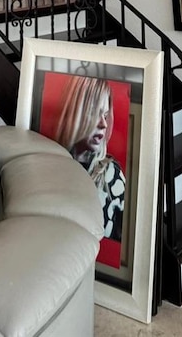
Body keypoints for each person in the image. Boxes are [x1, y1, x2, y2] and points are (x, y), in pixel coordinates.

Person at [54, 76, 125, 242]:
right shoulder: (48, 161)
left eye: (106, 115)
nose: (104, 124)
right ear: (74, 111)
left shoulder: (112, 176)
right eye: (95, 113)